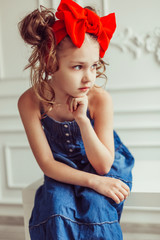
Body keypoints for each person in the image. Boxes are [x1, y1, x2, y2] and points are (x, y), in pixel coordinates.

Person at [18, 0, 134, 239]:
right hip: (61, 169)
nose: (89, 77)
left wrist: (82, 119)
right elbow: (48, 164)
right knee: (55, 206)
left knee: (97, 206)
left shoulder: (100, 100)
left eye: (94, 66)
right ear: (51, 62)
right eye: (78, 67)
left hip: (101, 164)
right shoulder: (31, 101)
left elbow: (103, 167)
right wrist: (92, 182)